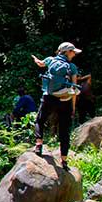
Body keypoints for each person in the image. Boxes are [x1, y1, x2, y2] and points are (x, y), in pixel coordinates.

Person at [31, 42, 81, 170]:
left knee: (40, 120)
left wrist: (35, 59)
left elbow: (41, 63)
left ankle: (38, 145)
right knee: (64, 130)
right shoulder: (72, 67)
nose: (74, 54)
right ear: (67, 52)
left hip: (49, 97)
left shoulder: (50, 60)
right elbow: (74, 88)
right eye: (73, 51)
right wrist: (73, 107)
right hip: (65, 99)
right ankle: (64, 161)